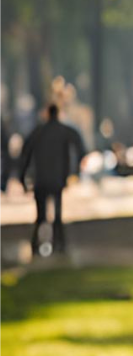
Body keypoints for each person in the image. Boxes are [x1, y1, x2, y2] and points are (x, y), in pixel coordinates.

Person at [18, 104, 85, 255]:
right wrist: (76, 171)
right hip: (57, 179)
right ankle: (60, 244)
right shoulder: (64, 131)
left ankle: (36, 246)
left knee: (40, 216)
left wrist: (23, 178)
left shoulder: (39, 131)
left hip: (40, 179)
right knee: (57, 215)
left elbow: (25, 153)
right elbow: (80, 146)